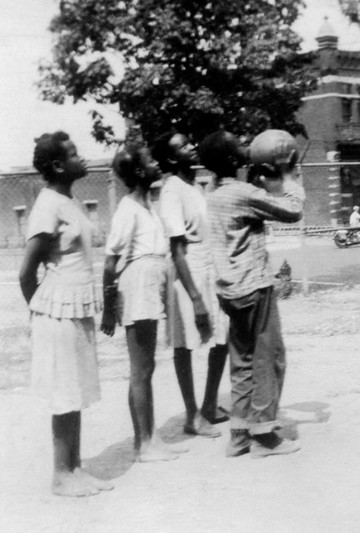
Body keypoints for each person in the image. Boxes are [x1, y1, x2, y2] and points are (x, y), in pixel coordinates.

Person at [19, 131, 112, 496]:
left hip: (77, 307)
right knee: (64, 392)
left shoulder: (69, 200)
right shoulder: (47, 206)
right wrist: (41, 313)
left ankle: (75, 468)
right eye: (74, 154)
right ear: (58, 165)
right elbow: (27, 273)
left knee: (76, 390)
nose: (82, 158)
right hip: (56, 312)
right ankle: (60, 475)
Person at [202, 129, 304, 458]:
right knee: (270, 359)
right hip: (254, 285)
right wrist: (288, 173)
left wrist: (260, 175)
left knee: (242, 362)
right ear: (234, 160)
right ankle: (264, 436)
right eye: (239, 147)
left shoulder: (214, 190)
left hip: (230, 291)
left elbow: (250, 199)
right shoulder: (243, 194)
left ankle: (239, 435)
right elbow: (292, 210)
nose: (246, 148)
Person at [101, 146, 185, 462]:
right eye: (150, 161)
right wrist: (109, 308)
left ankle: (149, 438)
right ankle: (144, 443)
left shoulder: (147, 206)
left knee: (147, 368)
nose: (156, 164)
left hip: (150, 286)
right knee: (141, 369)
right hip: (136, 288)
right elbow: (110, 264)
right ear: (138, 172)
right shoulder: (127, 209)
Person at [152, 133, 229, 438]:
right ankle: (191, 414)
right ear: (171, 159)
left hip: (210, 268)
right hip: (187, 273)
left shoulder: (197, 186)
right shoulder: (171, 190)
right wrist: (195, 298)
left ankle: (209, 404)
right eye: (183, 146)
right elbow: (177, 250)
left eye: (190, 142)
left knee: (221, 337)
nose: (192, 146)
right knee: (185, 344)